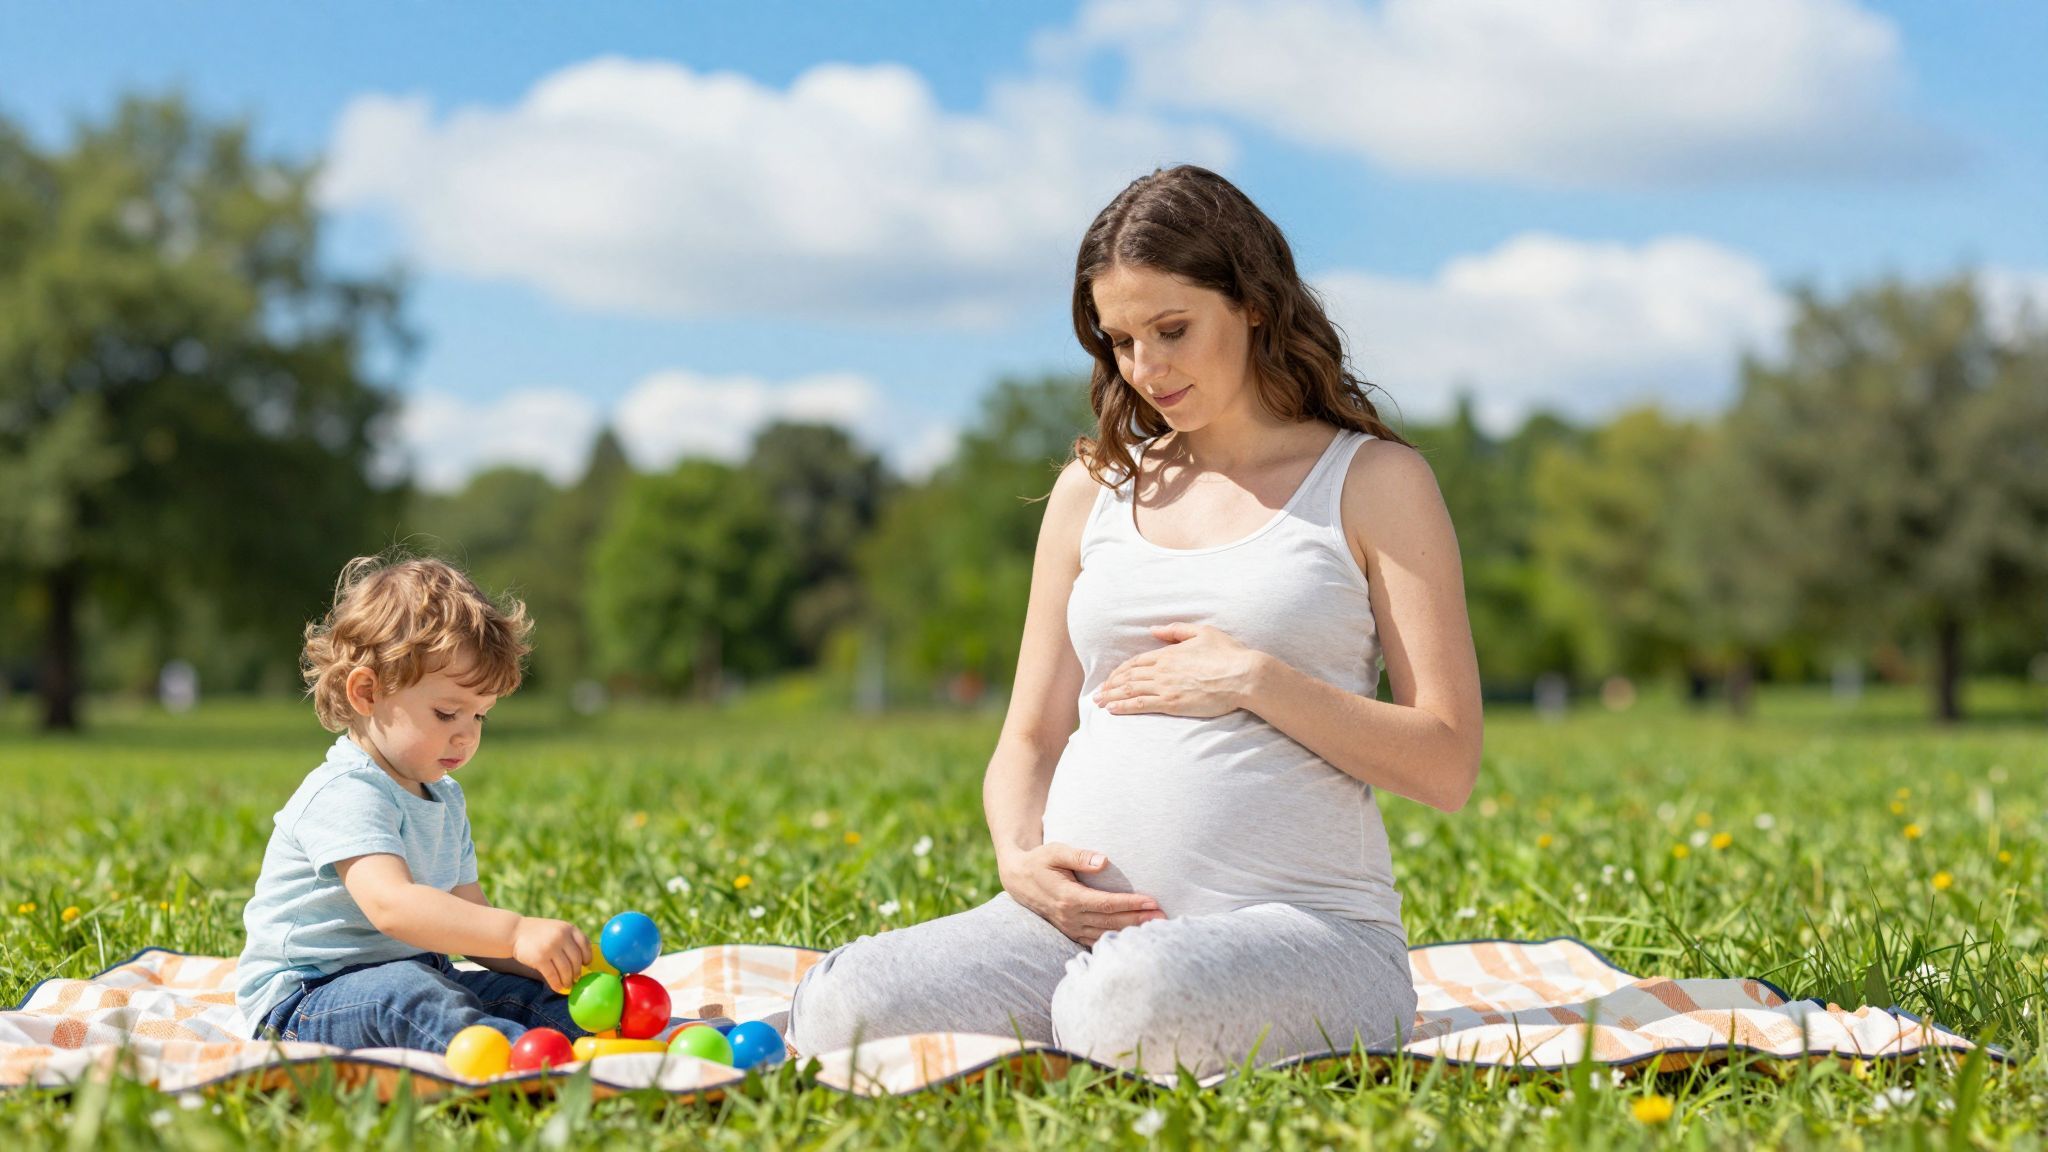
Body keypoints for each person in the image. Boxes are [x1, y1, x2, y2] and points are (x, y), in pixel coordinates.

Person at [788, 166, 1482, 1076]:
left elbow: (1446, 762)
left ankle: (1094, 1027)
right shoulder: (1092, 491)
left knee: (1132, 1000)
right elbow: (1030, 735)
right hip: (1070, 933)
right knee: (844, 1006)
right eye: (1120, 340)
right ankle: (1079, 1023)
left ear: (1256, 307)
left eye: (1173, 330)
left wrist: (1254, 679)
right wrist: (1016, 857)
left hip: (1309, 935)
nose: (1145, 368)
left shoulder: (1374, 483)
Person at [236, 555, 594, 1049]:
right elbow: (393, 906)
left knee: (531, 993)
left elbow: (468, 913)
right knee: (407, 994)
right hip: (308, 999)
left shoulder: (444, 798)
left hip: (422, 974)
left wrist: (548, 962)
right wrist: (514, 932)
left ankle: (639, 1040)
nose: (467, 736)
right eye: (447, 713)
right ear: (367, 692)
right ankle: (518, 1062)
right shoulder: (345, 791)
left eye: (480, 717)